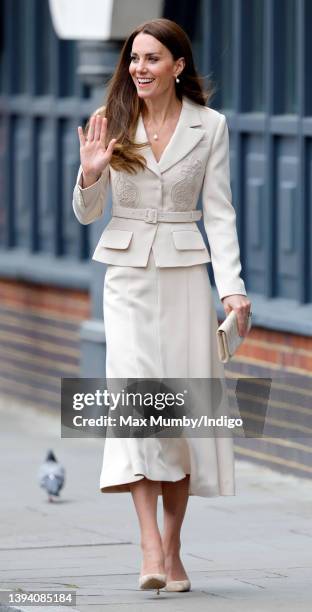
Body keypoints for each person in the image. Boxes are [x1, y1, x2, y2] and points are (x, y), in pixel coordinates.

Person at [72, 17, 251, 594]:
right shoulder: (113, 123)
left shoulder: (212, 126)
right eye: (133, 59)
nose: (139, 69)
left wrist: (233, 287)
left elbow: (219, 211)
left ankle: (173, 549)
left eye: (151, 59)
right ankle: (149, 544)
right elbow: (86, 212)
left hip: (183, 277)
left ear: (178, 65)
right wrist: (90, 174)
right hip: (125, 277)